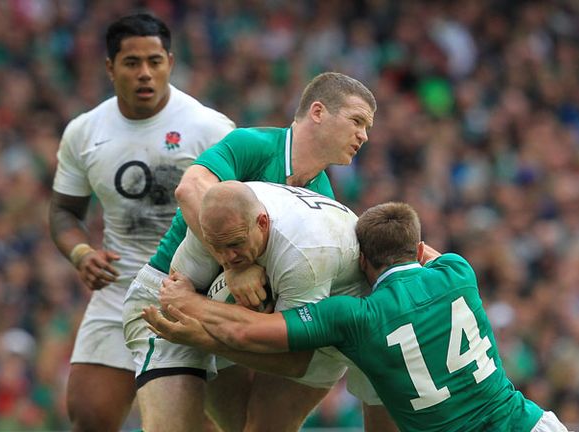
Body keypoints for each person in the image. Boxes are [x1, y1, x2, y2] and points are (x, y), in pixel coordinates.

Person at [144, 201, 572, 432]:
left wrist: (192, 304)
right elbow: (429, 258)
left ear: (363, 262)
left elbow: (248, 328)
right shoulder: (457, 271)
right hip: (532, 424)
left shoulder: (356, 316)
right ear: (419, 250)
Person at [122, 73, 383, 431]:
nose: (364, 136)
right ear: (318, 112)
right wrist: (234, 266)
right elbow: (191, 189)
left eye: (367, 127)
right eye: (357, 121)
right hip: (167, 294)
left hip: (225, 311)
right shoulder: (255, 144)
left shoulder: (323, 196)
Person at [48, 13, 235, 432]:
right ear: (110, 67)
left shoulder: (209, 128)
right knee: (90, 415)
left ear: (170, 61)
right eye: (132, 63)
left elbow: (246, 211)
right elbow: (64, 212)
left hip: (197, 289)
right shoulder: (84, 132)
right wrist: (81, 254)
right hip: (122, 286)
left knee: (196, 423)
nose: (145, 73)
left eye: (155, 61)